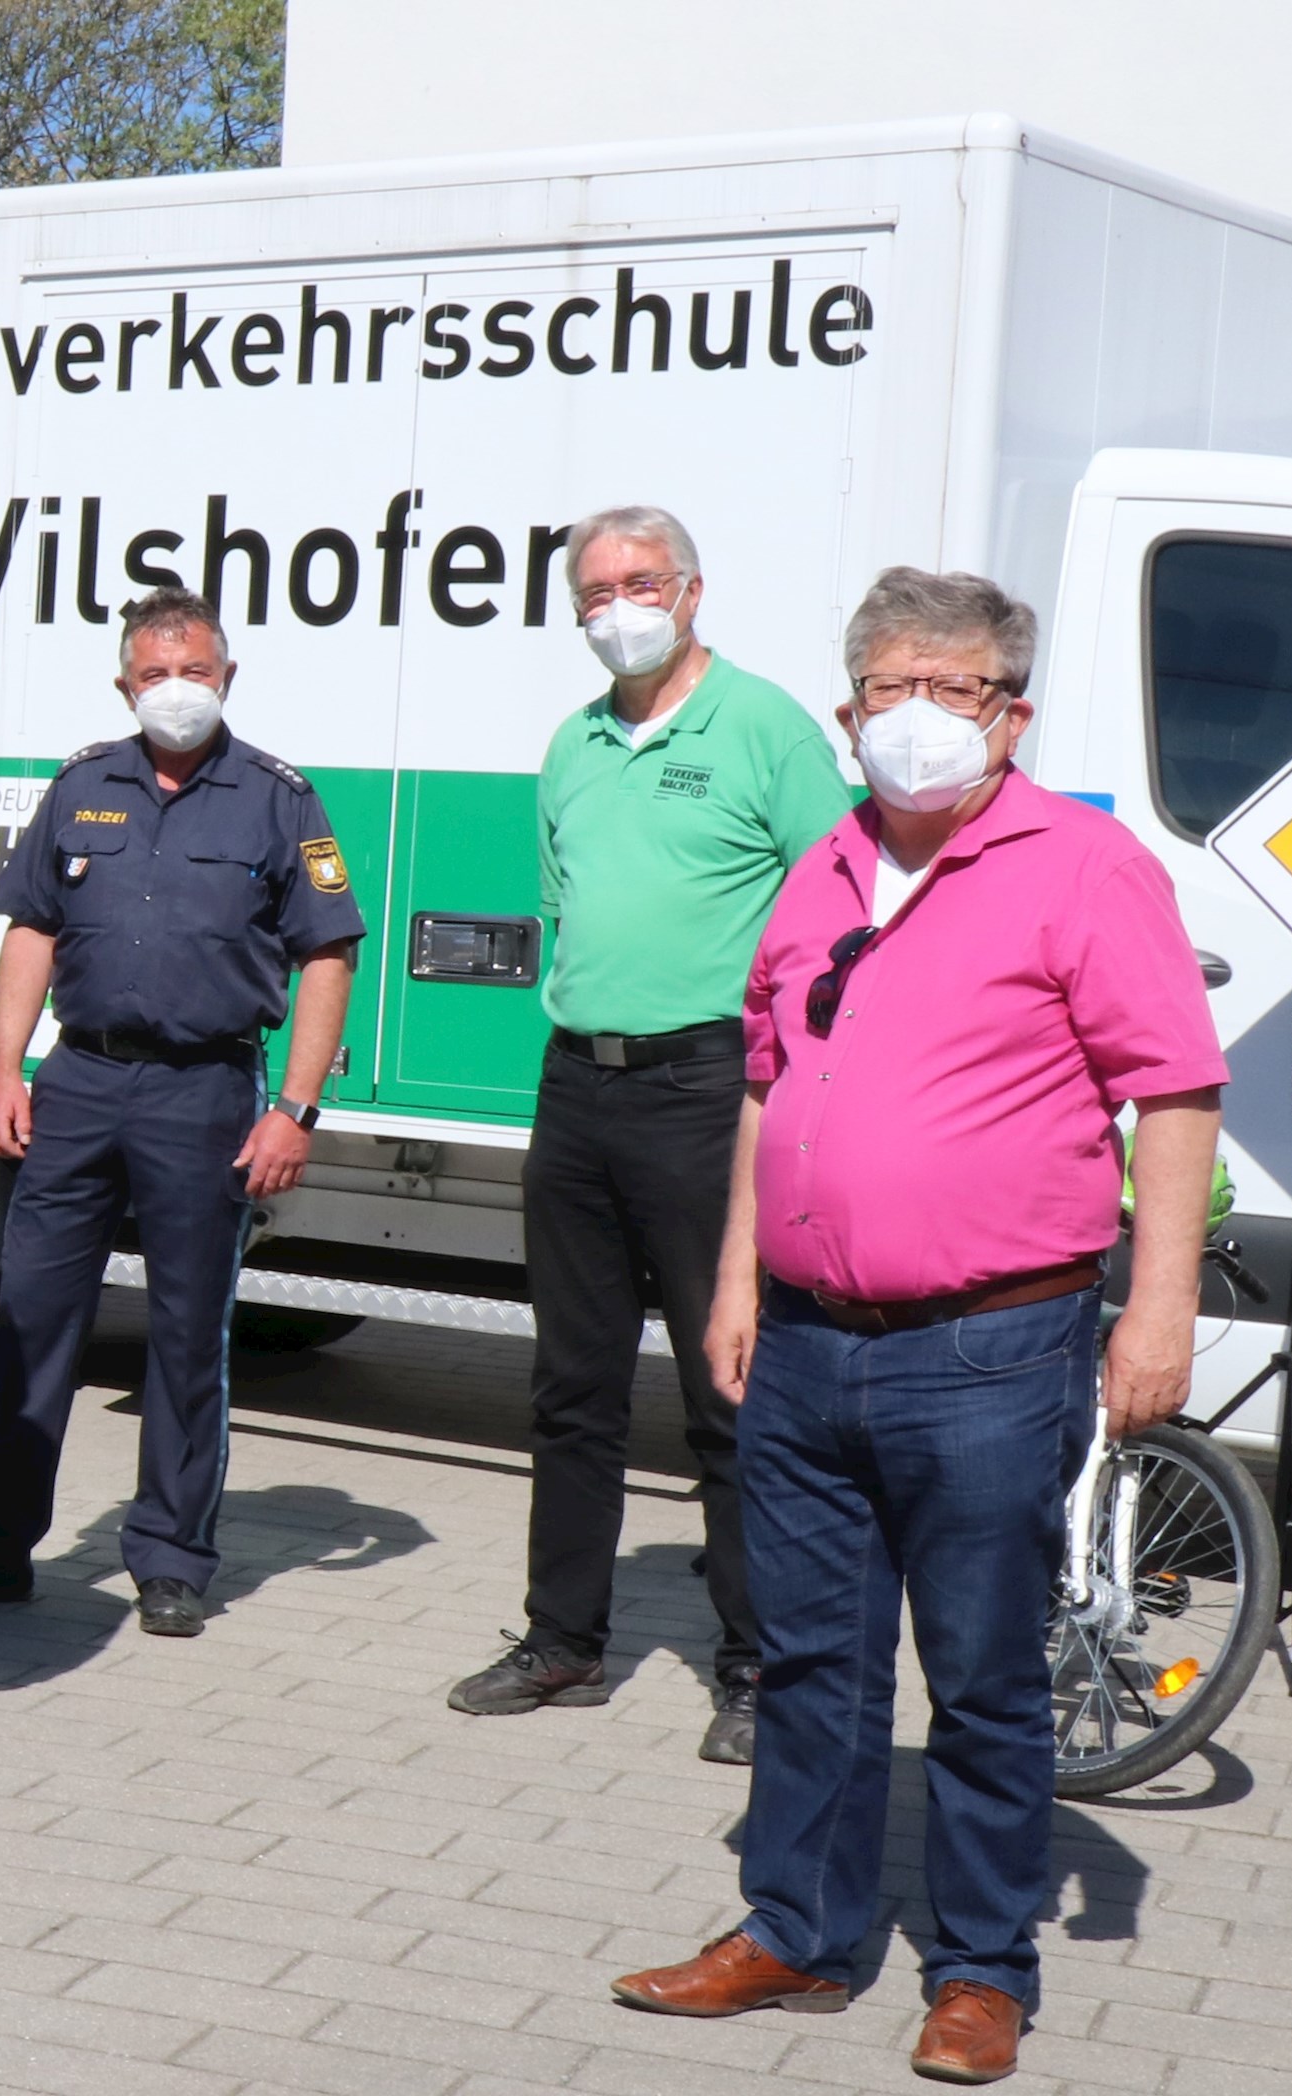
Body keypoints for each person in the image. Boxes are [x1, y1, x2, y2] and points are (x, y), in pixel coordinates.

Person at [610, 568, 1224, 2089]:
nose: (923, 717)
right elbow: (767, 1086)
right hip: (808, 1341)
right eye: (894, 685)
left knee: (985, 1672)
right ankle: (797, 1933)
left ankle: (979, 1971)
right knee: (811, 1662)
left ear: (1012, 714)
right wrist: (739, 1284)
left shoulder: (1082, 868)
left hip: (989, 1349)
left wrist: (1158, 1313)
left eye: (957, 689)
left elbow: (1176, 1091)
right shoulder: (818, 870)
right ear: (848, 709)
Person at [449, 507, 853, 1765]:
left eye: (637, 581)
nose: (615, 604)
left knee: (727, 1381)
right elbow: (563, 905)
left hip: (705, 1085)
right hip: (578, 1083)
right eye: (592, 589)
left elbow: (836, 909)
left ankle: (756, 1666)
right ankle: (563, 1635)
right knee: (570, 1382)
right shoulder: (571, 743)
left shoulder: (764, 728)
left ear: (688, 589)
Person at [0, 585, 360, 1638]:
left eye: (194, 671)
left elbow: (327, 955)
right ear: (123, 683)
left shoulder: (280, 799)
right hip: (79, 1084)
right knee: (29, 1321)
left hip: (205, 1091)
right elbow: (29, 930)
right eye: (155, 674)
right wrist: (4, 1069)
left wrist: (295, 1106)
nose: (176, 690)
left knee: (189, 1332)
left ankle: (171, 1556)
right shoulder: (80, 784)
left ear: (226, 676)